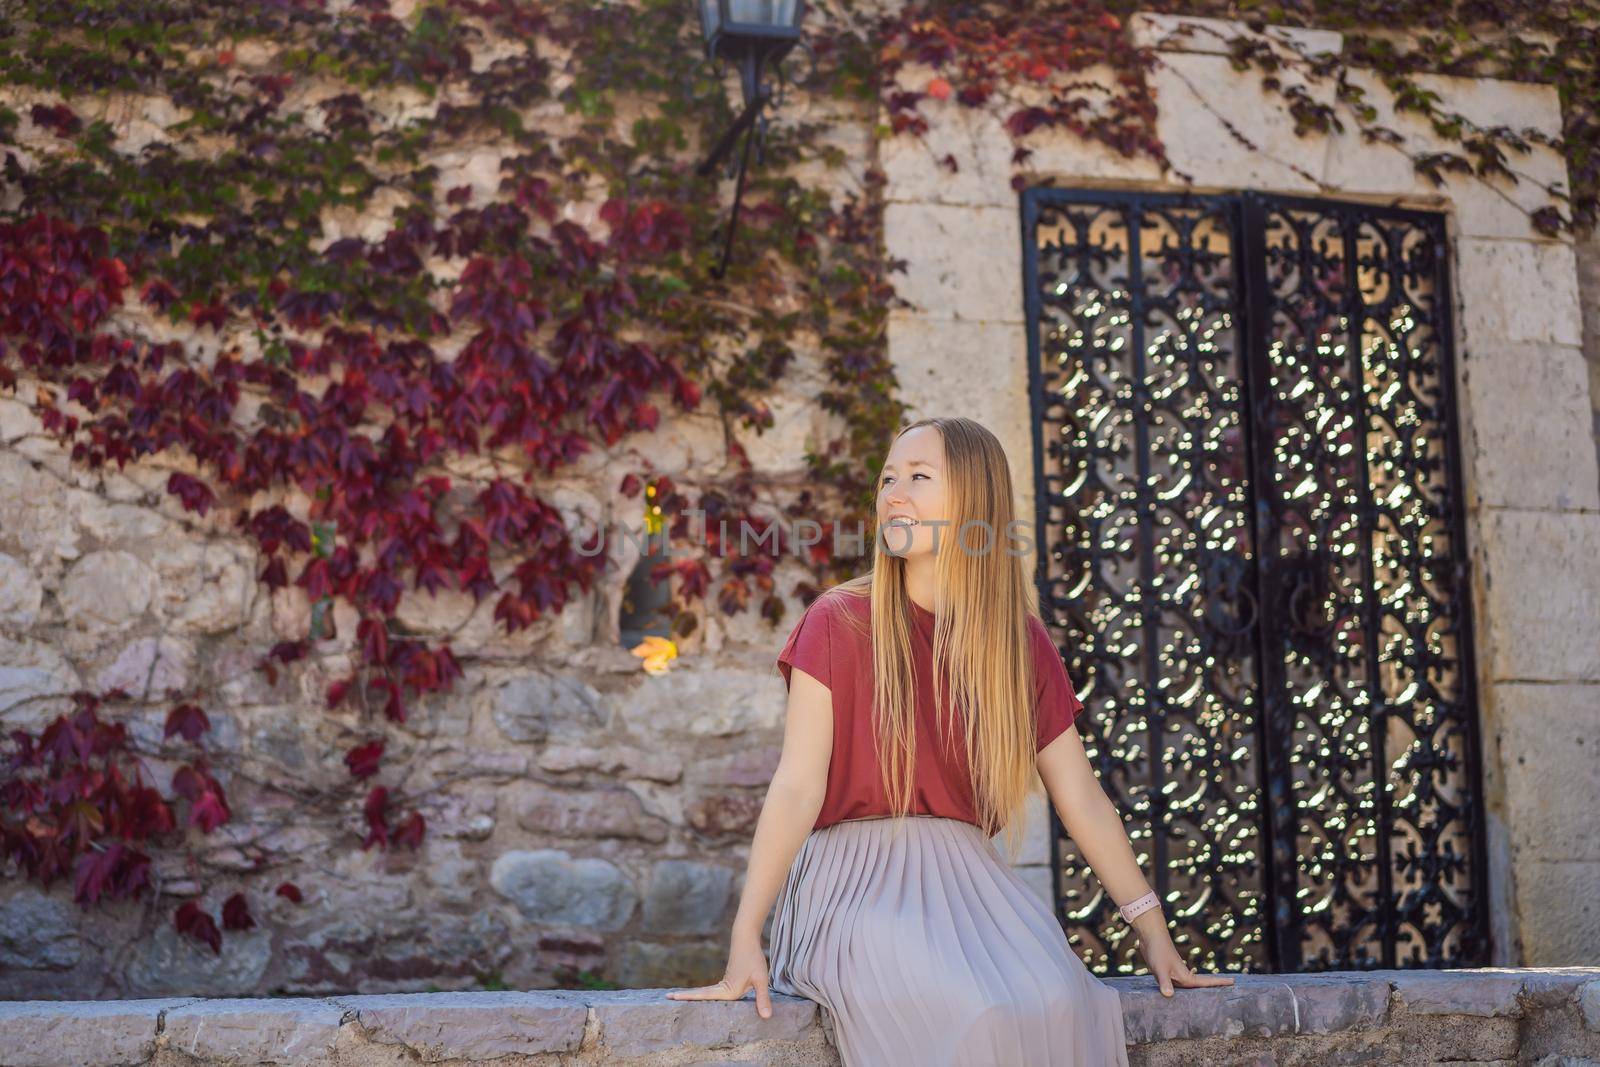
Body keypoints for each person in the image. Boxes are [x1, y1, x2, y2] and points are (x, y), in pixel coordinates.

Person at [667, 416, 1233, 1065]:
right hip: (853, 883)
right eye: (887, 478)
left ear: (973, 500)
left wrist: (1152, 930)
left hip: (972, 882)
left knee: (1069, 1001)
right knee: (974, 1009)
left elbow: (1082, 797)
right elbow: (797, 786)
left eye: (918, 477)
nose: (893, 493)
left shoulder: (1019, 644)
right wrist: (747, 932)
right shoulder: (839, 620)